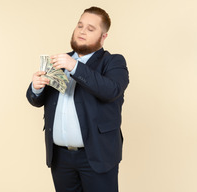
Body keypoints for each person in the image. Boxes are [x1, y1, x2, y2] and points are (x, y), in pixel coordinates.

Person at [26, 6, 129, 192]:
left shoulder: (113, 62)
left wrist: (74, 66)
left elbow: (111, 90)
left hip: (97, 157)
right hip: (60, 158)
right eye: (80, 25)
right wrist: (36, 87)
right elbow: (37, 100)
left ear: (103, 37)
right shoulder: (59, 61)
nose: (82, 31)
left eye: (90, 29)